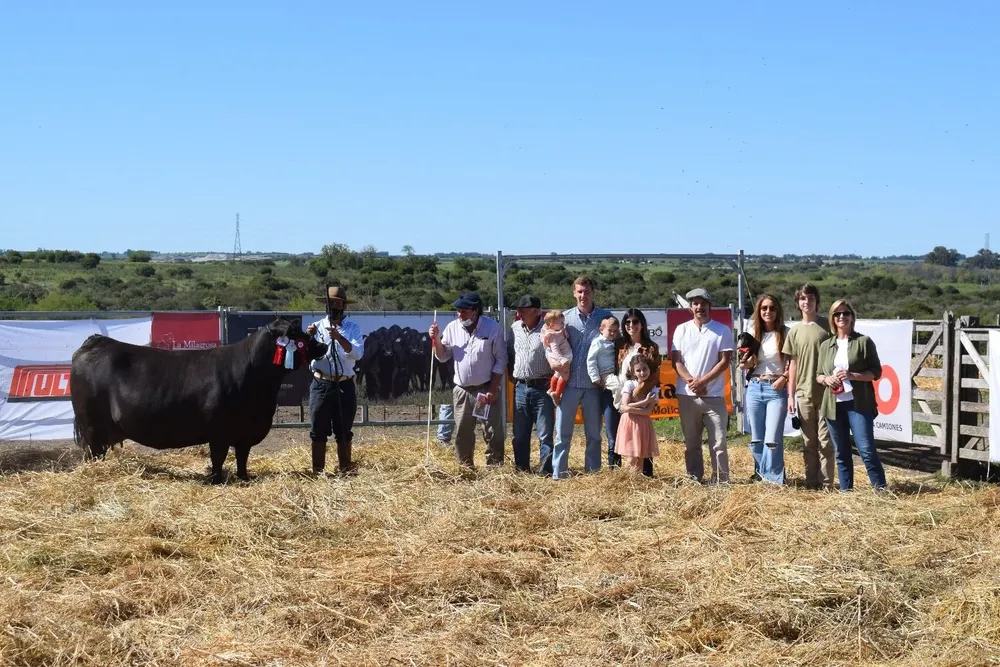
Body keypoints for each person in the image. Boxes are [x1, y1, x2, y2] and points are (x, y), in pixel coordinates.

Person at [816, 299, 888, 491]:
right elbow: (818, 375)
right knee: (841, 452)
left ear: (852, 316)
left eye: (845, 313)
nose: (841, 317)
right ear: (832, 318)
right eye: (837, 314)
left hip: (859, 404)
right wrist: (826, 379)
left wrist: (852, 375)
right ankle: (846, 492)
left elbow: (876, 372)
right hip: (833, 405)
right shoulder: (826, 345)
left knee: (866, 450)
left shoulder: (863, 342)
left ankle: (880, 489)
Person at [429, 292, 507, 468]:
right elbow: (442, 357)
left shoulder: (492, 328)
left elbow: (501, 360)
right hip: (463, 391)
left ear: (475, 311)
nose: (459, 315)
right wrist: (436, 340)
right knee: (463, 432)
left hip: (485, 389)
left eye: (464, 311)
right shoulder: (451, 328)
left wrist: (492, 389)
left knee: (492, 431)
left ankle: (495, 469)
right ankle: (465, 468)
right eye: (458, 311)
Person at [671, 288, 734, 483]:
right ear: (690, 307)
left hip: (714, 396)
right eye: (695, 303)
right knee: (692, 443)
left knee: (719, 443)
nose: (700, 307)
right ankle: (694, 479)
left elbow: (724, 361)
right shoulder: (681, 329)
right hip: (687, 395)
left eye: (703, 303)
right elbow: (676, 361)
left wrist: (703, 381)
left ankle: (721, 481)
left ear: (710, 306)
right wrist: (692, 382)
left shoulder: (722, 330)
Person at [552, 276, 612, 479]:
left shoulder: (605, 318)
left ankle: (593, 474)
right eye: (579, 291)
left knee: (594, 435)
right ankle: (559, 474)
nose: (583, 295)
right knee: (562, 433)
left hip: (594, 386)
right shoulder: (565, 318)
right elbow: (550, 344)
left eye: (586, 291)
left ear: (593, 292)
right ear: (574, 293)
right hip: (568, 384)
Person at [782, 283, 836, 490]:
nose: (807, 302)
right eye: (803, 299)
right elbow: (792, 364)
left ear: (817, 301)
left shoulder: (828, 326)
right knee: (808, 442)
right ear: (798, 303)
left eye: (811, 298)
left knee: (825, 441)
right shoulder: (794, 331)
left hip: (827, 393)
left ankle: (827, 484)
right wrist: (791, 395)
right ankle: (810, 483)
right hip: (803, 393)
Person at [307, 284, 365, 474]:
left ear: (344, 306)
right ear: (326, 305)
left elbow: (357, 354)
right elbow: (306, 355)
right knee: (318, 429)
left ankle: (345, 469)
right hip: (321, 382)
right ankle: (318, 471)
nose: (335, 307)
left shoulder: (353, 328)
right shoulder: (315, 327)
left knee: (343, 430)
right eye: (332, 303)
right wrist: (308, 340)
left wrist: (340, 338)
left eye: (339, 303)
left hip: (344, 383)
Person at [739, 294, 790, 485]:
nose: (768, 312)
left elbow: (794, 362)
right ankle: (760, 474)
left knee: (772, 438)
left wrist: (784, 378)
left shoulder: (786, 332)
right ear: (759, 311)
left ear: (778, 311)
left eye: (772, 308)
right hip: (754, 387)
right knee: (757, 438)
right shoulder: (752, 333)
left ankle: (774, 479)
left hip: (776, 389)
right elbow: (741, 364)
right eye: (764, 308)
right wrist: (746, 363)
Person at [507, 294, 555, 474]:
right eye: (518, 310)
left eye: (523, 310)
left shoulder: (548, 330)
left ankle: (546, 471)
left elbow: (558, 354)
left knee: (545, 434)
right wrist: (514, 376)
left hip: (543, 386)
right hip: (520, 386)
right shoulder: (514, 328)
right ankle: (522, 469)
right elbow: (509, 354)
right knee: (519, 433)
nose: (519, 313)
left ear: (536, 311)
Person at [615, 309, 661, 476]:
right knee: (622, 441)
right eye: (627, 322)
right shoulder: (620, 345)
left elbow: (654, 376)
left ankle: (645, 477)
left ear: (642, 324)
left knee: (641, 441)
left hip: (640, 397)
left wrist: (635, 395)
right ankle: (620, 477)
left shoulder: (651, 347)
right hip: (620, 395)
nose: (631, 325)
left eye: (635, 322)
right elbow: (617, 370)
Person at [614, 355, 660, 472]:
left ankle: (638, 482)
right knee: (631, 458)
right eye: (638, 370)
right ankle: (629, 482)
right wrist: (644, 402)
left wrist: (629, 408)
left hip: (643, 424)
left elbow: (648, 411)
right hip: (629, 422)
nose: (642, 373)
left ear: (649, 369)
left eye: (644, 369)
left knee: (640, 458)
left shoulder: (653, 388)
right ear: (633, 372)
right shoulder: (630, 384)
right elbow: (624, 405)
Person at [541, 310, 573, 406]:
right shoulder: (552, 336)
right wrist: (562, 359)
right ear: (552, 326)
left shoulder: (557, 332)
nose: (563, 324)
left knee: (557, 373)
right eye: (561, 323)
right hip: (563, 357)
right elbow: (555, 349)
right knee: (565, 375)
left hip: (564, 356)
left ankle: (552, 389)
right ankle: (557, 394)